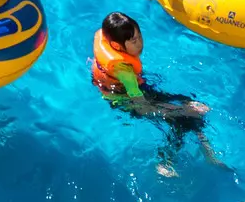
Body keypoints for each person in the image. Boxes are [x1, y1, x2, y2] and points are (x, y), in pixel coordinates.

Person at [90, 12, 218, 174]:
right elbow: (142, 107)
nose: (140, 44)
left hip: (134, 90)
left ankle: (205, 149)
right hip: (127, 102)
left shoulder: (111, 45)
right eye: (134, 41)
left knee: (188, 104)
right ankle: (165, 162)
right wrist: (180, 111)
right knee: (182, 119)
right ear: (116, 46)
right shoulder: (125, 72)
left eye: (140, 36)